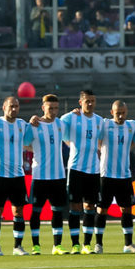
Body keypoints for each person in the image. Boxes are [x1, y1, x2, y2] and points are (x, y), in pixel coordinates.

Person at [0, 96, 30, 256]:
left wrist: (37, 119)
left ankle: (18, 246)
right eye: (11, 106)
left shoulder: (23, 125)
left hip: (17, 175)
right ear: (4, 107)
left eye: (16, 106)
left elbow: (34, 136)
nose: (14, 109)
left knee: (18, 212)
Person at [59, 89, 104, 254]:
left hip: (93, 170)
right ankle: (75, 244)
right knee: (75, 206)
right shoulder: (70, 118)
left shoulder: (99, 121)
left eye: (93, 101)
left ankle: (86, 244)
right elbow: (54, 126)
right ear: (80, 102)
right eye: (87, 101)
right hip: (76, 169)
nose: (90, 104)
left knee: (90, 206)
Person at [26, 94, 69, 255]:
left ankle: (57, 245)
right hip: (39, 176)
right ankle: (35, 245)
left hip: (58, 176)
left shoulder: (61, 124)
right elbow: (24, 143)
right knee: (36, 211)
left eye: (56, 108)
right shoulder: (34, 125)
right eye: (50, 108)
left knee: (57, 211)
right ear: (43, 108)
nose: (54, 111)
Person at [97, 100, 135, 253]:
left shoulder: (131, 125)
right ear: (111, 112)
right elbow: (97, 140)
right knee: (102, 209)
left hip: (124, 175)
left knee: (127, 209)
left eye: (123, 112)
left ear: (126, 112)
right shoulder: (104, 124)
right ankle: (98, 244)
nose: (120, 116)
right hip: (106, 175)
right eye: (117, 113)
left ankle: (128, 244)